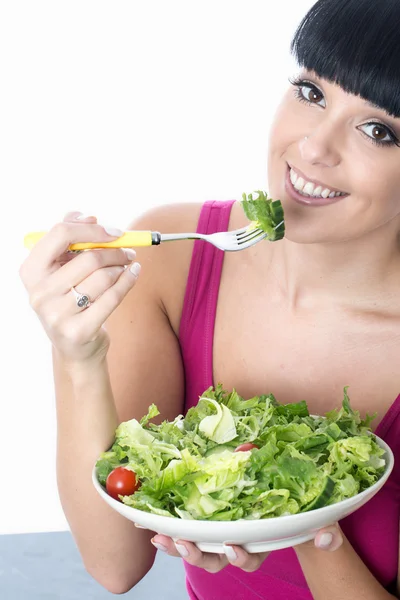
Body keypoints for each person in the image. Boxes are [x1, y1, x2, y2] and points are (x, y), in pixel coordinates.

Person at [19, 0, 400, 598]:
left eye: (379, 130)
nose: (315, 148)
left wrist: (299, 521)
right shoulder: (172, 259)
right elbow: (116, 564)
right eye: (311, 91)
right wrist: (78, 357)